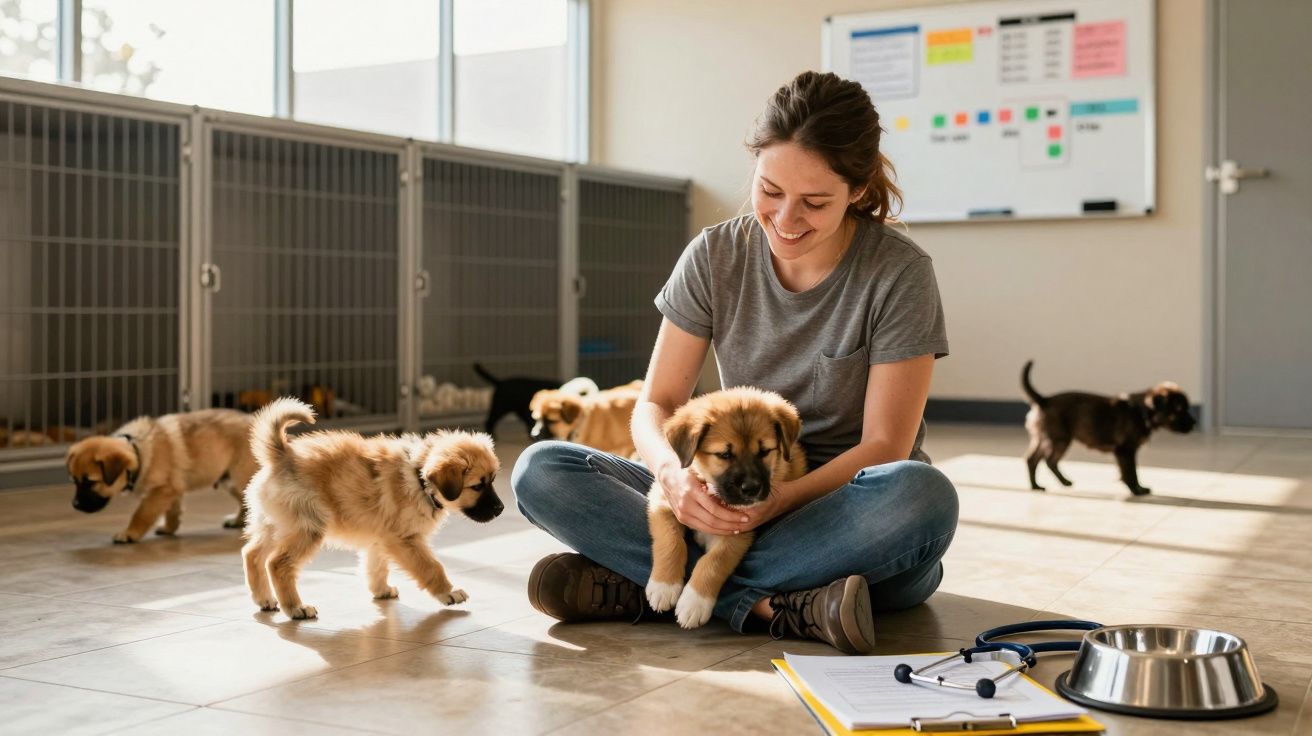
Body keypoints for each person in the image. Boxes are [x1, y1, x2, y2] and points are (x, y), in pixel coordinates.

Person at [512, 71, 958, 654]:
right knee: (540, 469)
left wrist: (776, 502)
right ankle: (779, 605)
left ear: (857, 190)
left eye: (815, 202)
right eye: (770, 190)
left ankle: (650, 587)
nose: (786, 219)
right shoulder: (714, 254)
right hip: (716, 494)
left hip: (840, 512)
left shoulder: (899, 273)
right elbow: (657, 404)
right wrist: (674, 481)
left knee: (922, 498)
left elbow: (885, 447)